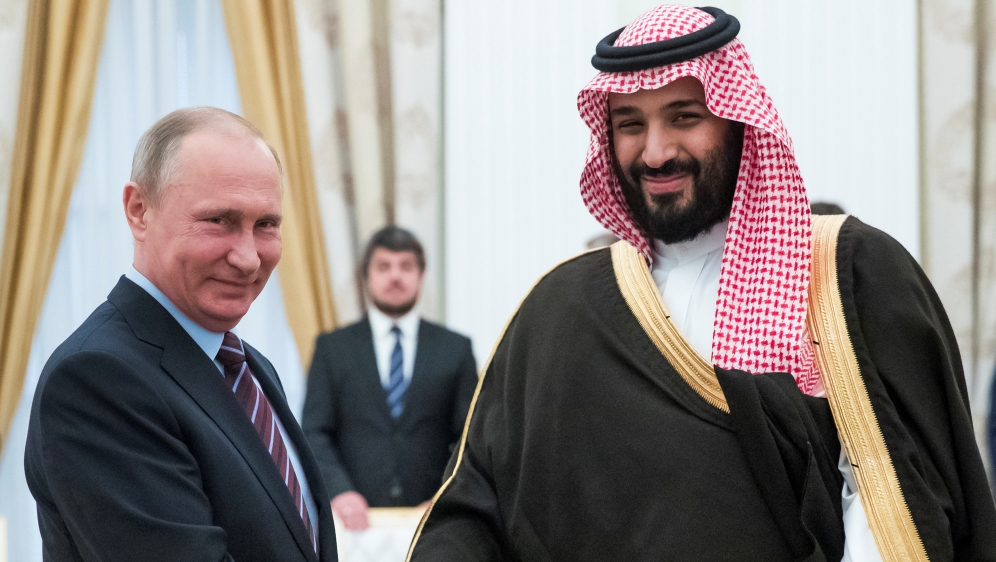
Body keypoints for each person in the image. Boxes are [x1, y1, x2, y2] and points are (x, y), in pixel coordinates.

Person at [408, 5, 996, 561]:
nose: (656, 152)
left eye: (684, 117)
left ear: (738, 119)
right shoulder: (560, 307)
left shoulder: (843, 272)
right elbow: (475, 505)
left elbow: (895, 497)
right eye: (630, 125)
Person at [24, 107, 337, 562]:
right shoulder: (98, 379)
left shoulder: (247, 367)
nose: (249, 258)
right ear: (139, 211)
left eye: (266, 225)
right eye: (220, 221)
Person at [302, 226, 477, 531]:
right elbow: (315, 432)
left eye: (406, 267)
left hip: (433, 521)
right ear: (366, 277)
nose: (395, 276)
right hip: (351, 526)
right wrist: (339, 491)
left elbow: (470, 438)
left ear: (421, 276)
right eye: (383, 267)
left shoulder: (456, 349)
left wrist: (446, 494)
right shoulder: (332, 348)